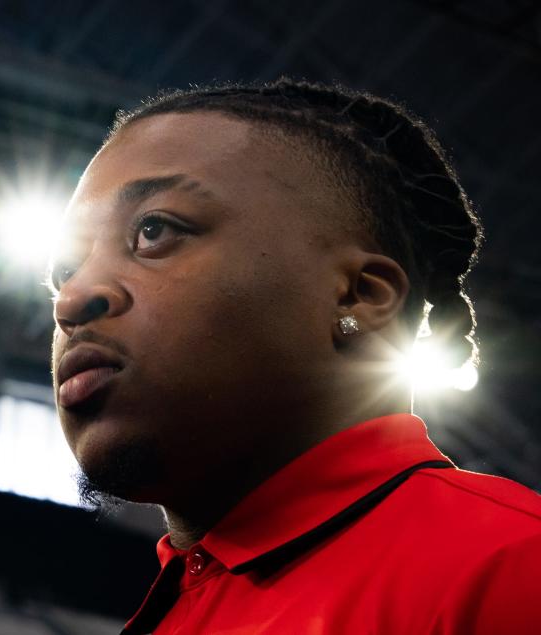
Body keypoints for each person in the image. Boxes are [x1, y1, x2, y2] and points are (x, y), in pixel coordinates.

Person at [47, 79, 541, 634]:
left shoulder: (512, 568)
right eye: (64, 272)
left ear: (359, 296)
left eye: (153, 230)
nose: (70, 300)